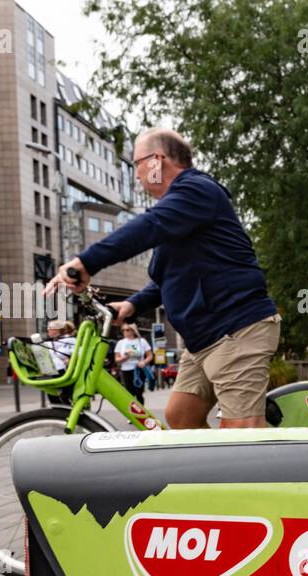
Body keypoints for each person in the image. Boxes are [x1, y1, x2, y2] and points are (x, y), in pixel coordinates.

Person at [46, 128, 280, 428]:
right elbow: (166, 278)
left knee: (240, 433)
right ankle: (218, 474)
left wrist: (86, 262)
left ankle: (272, 471)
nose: (136, 175)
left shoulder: (196, 191)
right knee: (181, 417)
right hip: (204, 338)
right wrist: (131, 306)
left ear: (157, 161)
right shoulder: (178, 211)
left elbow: (149, 226)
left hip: (236, 328)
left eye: (137, 164)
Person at [114, 323, 152, 403]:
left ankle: (141, 412)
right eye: (123, 330)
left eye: (127, 330)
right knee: (129, 393)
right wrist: (125, 357)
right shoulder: (121, 343)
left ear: (133, 331)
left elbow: (150, 356)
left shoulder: (141, 341)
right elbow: (117, 359)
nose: (125, 332)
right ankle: (132, 413)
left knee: (139, 393)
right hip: (126, 370)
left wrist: (144, 362)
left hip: (139, 370)